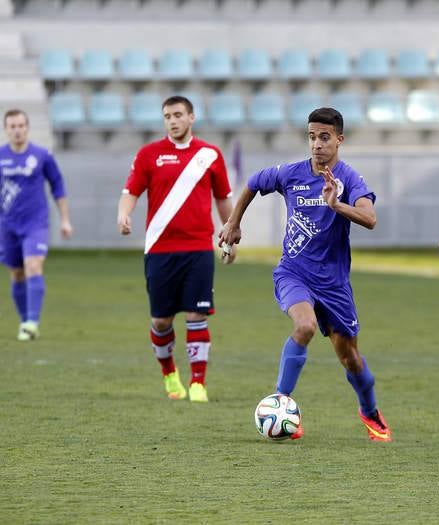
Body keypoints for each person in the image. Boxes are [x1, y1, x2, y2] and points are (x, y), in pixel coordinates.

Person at [218, 107, 391, 442]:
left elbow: (370, 220)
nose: (316, 144)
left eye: (324, 137)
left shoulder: (350, 179)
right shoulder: (290, 173)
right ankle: (281, 404)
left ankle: (370, 412)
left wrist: (336, 205)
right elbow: (253, 183)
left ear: (339, 140)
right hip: (293, 273)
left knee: (350, 358)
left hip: (334, 284)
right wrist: (233, 223)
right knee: (305, 325)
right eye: (312, 137)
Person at [117, 95, 235, 403]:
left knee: (197, 314)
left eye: (178, 114)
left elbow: (223, 198)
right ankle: (170, 374)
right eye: (167, 115)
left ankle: (198, 382)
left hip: (198, 248)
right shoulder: (149, 155)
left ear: (191, 117)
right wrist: (123, 212)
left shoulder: (210, 155)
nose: (173, 120)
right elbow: (131, 191)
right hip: (159, 249)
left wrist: (230, 235)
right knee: (161, 320)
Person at [1, 109, 73, 341]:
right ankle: (25, 321)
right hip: (7, 225)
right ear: (6, 129)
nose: (17, 130)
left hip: (36, 223)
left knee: (33, 265)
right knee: (17, 272)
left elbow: (58, 186)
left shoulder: (42, 155)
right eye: (12, 126)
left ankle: (32, 322)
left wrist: (65, 220)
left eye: (21, 125)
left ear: (27, 127)